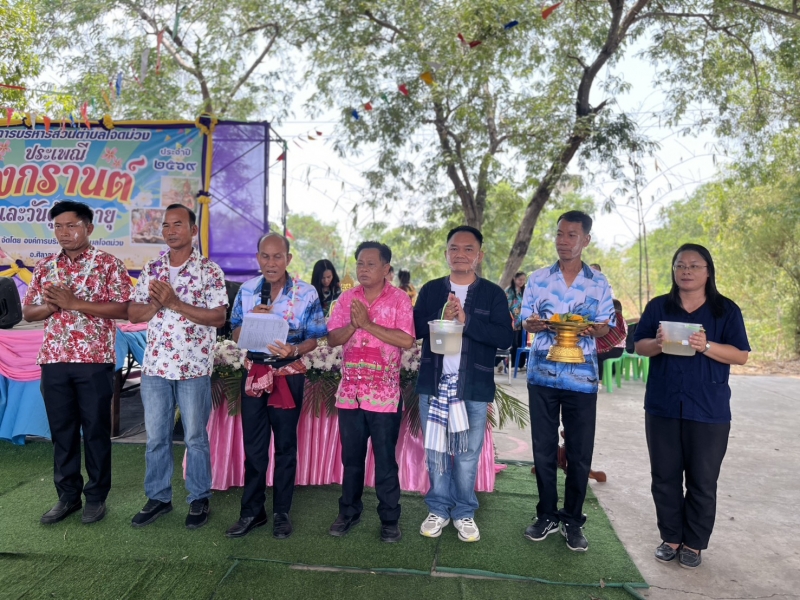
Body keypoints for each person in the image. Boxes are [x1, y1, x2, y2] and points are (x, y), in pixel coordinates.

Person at [634, 243, 749, 569]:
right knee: (664, 476)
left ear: (708, 271)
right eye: (680, 265)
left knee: (703, 480)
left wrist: (706, 345)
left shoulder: (725, 310)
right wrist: (658, 344)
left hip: (709, 409)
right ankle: (671, 537)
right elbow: (639, 346)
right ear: (674, 271)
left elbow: (740, 355)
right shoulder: (659, 307)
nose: (686, 271)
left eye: (694, 266)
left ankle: (694, 543)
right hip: (663, 405)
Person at [23, 201, 132, 525]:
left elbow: (124, 308)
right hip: (54, 359)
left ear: (88, 228)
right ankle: (67, 496)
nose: (64, 232)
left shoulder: (108, 264)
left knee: (95, 430)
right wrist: (52, 307)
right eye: (58, 226)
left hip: (94, 360)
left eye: (71, 225)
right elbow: (29, 311)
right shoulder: (45, 267)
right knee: (62, 432)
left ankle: (96, 497)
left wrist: (75, 303)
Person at [128, 204, 228, 530]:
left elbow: (218, 317)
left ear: (193, 230)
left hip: (193, 368)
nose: (171, 231)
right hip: (155, 367)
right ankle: (158, 498)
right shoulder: (153, 268)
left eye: (178, 224)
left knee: (195, 437)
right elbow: (134, 313)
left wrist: (174, 303)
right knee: (156, 438)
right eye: (166, 225)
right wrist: (156, 304)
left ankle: (199, 498)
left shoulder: (209, 270)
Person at [520, 210, 614, 552]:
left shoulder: (599, 283)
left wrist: (595, 329)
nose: (564, 240)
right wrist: (531, 324)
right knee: (543, 448)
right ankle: (546, 514)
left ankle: (573, 520)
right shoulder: (538, 279)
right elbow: (525, 319)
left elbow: (605, 326)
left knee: (579, 451)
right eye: (560, 233)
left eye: (572, 235)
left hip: (582, 378)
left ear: (585, 240)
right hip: (542, 374)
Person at [414, 226, 513, 543]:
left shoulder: (492, 294)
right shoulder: (431, 290)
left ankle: (464, 512)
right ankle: (439, 509)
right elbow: (414, 328)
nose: (460, 254)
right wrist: (441, 314)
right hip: (434, 384)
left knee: (468, 454)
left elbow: (505, 338)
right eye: (454, 248)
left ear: (479, 255)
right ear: (446, 253)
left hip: (473, 386)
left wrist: (466, 320)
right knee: (436, 450)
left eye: (468, 249)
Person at [225, 233, 327, 539]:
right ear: (258, 258)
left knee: (285, 447)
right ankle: (251, 512)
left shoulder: (306, 292)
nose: (271, 263)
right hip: (255, 372)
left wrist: (294, 349)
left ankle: (282, 512)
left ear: (288, 259)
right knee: (254, 448)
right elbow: (235, 330)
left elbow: (315, 336)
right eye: (266, 256)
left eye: (278, 256)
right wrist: (250, 324)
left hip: (288, 374)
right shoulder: (247, 290)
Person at [326, 242, 415, 542]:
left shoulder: (399, 300)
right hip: (349, 395)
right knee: (351, 460)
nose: (363, 269)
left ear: (386, 268)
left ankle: (389, 519)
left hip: (384, 397)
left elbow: (406, 341)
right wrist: (354, 326)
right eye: (360, 264)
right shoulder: (346, 298)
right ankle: (348, 512)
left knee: (386, 462)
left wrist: (368, 324)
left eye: (371, 264)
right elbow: (332, 339)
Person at [596, 299, 627, 380]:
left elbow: (605, 335)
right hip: (616, 350)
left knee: (597, 356)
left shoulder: (614, 320)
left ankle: (599, 380)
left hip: (614, 349)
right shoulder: (621, 319)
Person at [502, 271, 527, 374]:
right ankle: (510, 364)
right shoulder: (509, 291)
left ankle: (520, 365)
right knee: (514, 343)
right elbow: (505, 306)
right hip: (512, 320)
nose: (522, 282)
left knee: (522, 343)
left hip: (523, 321)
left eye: (523, 280)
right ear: (514, 279)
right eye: (520, 279)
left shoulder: (525, 291)